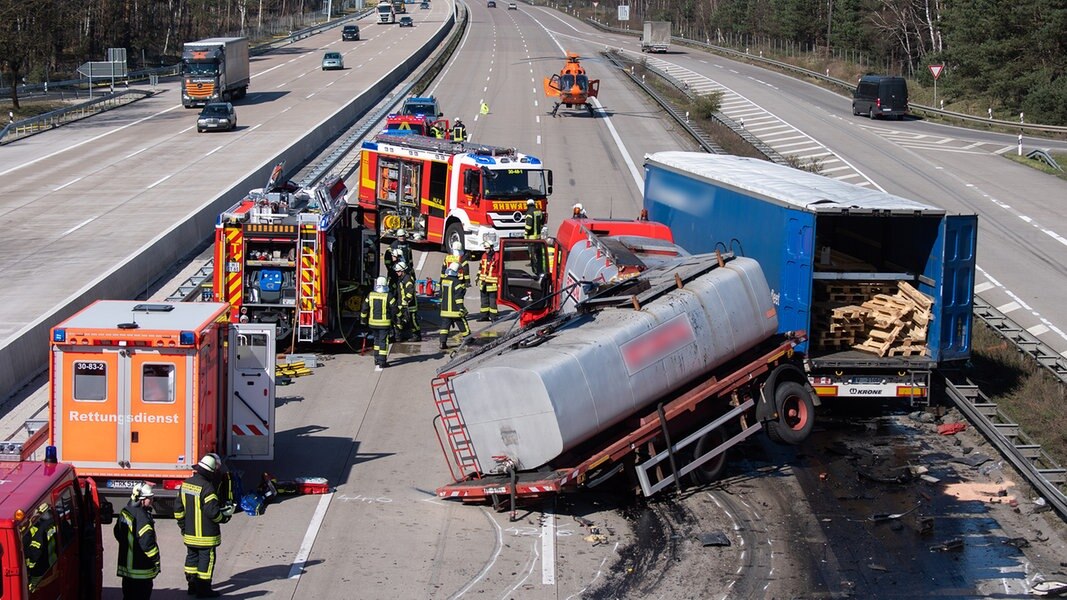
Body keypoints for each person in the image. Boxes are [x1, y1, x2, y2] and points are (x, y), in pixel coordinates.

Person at [175, 453, 234, 598]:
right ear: (210, 472)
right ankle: (204, 590)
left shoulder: (186, 484)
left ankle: (192, 586)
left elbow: (178, 510)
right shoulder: (207, 488)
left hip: (189, 534)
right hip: (206, 536)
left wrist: (183, 527)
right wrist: (225, 517)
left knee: (191, 559)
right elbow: (213, 512)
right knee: (206, 563)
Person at [115, 483, 161, 599]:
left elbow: (117, 532)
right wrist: (156, 560)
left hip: (127, 571)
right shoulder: (143, 517)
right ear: (142, 500)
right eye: (149, 498)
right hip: (141, 571)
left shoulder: (125, 511)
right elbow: (147, 544)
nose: (151, 500)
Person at [361, 276, 397, 368]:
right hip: (384, 324)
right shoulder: (388, 295)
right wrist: (394, 320)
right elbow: (394, 309)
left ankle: (376, 359)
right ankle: (382, 362)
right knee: (383, 342)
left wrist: (363, 320)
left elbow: (364, 308)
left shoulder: (371, 294)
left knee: (376, 341)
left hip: (373, 324)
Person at [24, 503, 58, 592]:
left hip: (41, 571)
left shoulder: (33, 531)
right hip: (47, 568)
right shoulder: (50, 524)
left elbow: (34, 555)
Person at [439, 262, 471, 349]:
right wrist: (462, 309)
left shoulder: (444, 281)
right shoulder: (457, 282)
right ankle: (468, 339)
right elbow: (458, 297)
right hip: (455, 310)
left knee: (444, 327)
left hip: (445, 310)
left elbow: (441, 294)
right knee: (463, 324)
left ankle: (442, 343)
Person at [395, 262, 420, 341]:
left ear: (403, 271)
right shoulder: (402, 278)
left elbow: (410, 291)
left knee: (413, 321)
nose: (397, 273)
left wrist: (406, 300)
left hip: (410, 305)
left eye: (398, 271)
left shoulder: (407, 279)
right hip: (403, 304)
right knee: (404, 320)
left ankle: (417, 335)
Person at [477, 240, 499, 321]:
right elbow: (481, 267)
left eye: (487, 248)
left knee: (492, 301)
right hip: (483, 282)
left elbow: (499, 269)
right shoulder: (484, 256)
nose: (486, 250)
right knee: (484, 300)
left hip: (492, 282)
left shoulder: (497, 256)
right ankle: (484, 316)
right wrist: (478, 276)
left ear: (492, 248)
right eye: (485, 248)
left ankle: (494, 317)